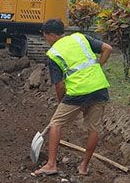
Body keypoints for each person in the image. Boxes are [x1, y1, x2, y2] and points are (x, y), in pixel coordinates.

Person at [32, 19, 113, 177]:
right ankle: (83, 167)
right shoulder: (80, 37)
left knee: (56, 124)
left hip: (77, 91)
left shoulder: (53, 53)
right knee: (94, 129)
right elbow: (107, 49)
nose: (46, 40)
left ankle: (51, 165)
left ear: (53, 35)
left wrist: (61, 101)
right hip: (99, 88)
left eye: (45, 36)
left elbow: (59, 85)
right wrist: (97, 67)